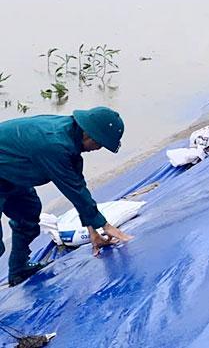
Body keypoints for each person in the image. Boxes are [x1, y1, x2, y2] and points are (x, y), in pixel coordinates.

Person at [0, 107, 133, 286]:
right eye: (100, 144)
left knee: (28, 213)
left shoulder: (71, 136)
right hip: (5, 169)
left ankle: (19, 270)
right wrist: (105, 225)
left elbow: (78, 185)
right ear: (89, 136)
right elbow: (72, 189)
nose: (99, 148)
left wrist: (92, 230)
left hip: (9, 171)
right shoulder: (54, 145)